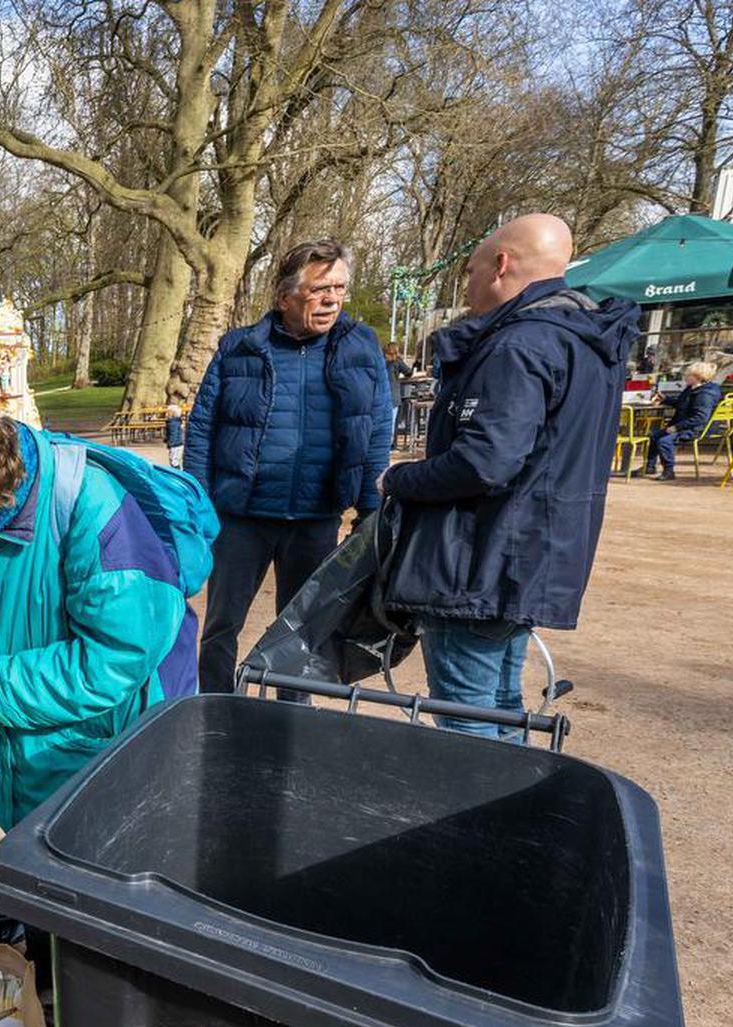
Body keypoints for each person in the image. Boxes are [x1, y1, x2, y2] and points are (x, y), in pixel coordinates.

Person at [0, 382, 212, 831]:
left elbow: (115, 657)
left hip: (106, 733)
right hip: (27, 730)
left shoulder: (92, 508)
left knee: (96, 859)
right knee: (35, 853)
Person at [382, 214, 639, 739]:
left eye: (471, 271)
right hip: (528, 555)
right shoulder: (583, 341)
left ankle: (475, 817)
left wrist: (400, 480)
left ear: (501, 265)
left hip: (480, 561)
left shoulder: (520, 345)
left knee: (467, 714)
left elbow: (485, 461)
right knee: (500, 704)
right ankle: (512, 814)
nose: (469, 285)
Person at [184, 239, 394, 695]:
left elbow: (377, 428)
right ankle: (216, 707)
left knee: (303, 632)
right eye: (319, 289)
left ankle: (289, 718)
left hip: (315, 519)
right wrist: (198, 505)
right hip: (241, 517)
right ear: (284, 297)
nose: (332, 299)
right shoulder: (239, 347)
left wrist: (371, 509)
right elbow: (201, 429)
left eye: (339, 288)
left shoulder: (361, 346)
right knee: (222, 626)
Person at [645, 360, 722, 480]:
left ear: (697, 377)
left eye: (688, 375)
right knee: (655, 436)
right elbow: (682, 404)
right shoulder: (692, 389)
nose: (685, 377)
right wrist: (665, 399)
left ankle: (669, 471)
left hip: (693, 429)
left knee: (664, 441)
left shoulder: (705, 395)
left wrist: (676, 427)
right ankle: (649, 467)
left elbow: (700, 417)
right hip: (682, 425)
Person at [163, 404, 186, 468]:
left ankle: (177, 473)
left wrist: (170, 443)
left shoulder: (172, 423)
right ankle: (177, 471)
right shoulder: (175, 422)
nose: (166, 414)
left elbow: (173, 434)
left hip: (175, 445)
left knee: (173, 461)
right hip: (178, 443)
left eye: (167, 413)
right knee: (175, 460)